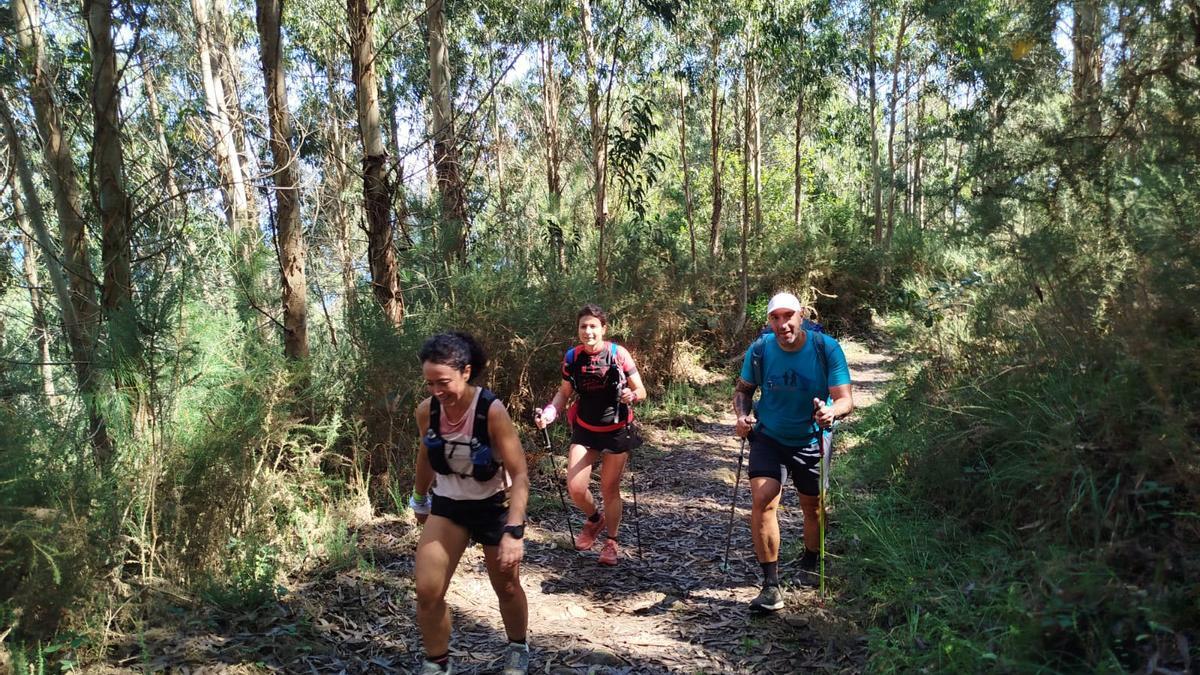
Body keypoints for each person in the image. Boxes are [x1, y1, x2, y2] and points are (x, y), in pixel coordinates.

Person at [408, 332, 530, 674]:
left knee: (506, 586)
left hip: (492, 507)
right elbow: (425, 456)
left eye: (443, 382)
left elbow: (520, 474)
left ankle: (518, 646)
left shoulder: (491, 411)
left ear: (466, 371)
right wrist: (419, 498)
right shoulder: (426, 411)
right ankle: (438, 662)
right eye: (429, 383)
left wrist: (514, 531)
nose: (436, 391)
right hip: (448, 505)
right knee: (427, 591)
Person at [732, 292, 854, 613]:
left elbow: (845, 400)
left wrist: (832, 413)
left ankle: (811, 559)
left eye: (788, 316)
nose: (782, 324)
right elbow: (744, 390)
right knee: (763, 500)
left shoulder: (825, 348)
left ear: (801, 316)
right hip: (769, 437)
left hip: (812, 438)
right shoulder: (760, 350)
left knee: (812, 508)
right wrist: (743, 416)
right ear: (769, 321)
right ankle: (770, 586)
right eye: (775, 317)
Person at [535, 304, 647, 566]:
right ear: (578, 330)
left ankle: (612, 542)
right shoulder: (573, 357)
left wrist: (632, 395)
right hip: (586, 428)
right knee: (575, 487)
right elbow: (564, 393)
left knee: (609, 488)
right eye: (583, 326)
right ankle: (595, 520)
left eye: (593, 326)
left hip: (616, 430)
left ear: (603, 329)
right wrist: (550, 414)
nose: (588, 331)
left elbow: (641, 390)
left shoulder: (619, 354)